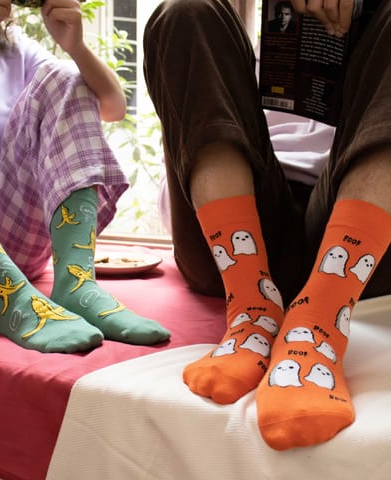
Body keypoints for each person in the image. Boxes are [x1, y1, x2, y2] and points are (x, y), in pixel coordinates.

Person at [143, 0, 391, 450]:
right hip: (239, 238)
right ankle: (252, 308)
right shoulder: (239, 52)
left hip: (356, 238)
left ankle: (319, 323)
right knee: (186, 10)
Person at [0, 0, 170, 354]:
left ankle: (78, 286)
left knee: (65, 75)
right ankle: (10, 297)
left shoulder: (14, 52)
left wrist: (76, 46)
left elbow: (112, 106)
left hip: (10, 244)